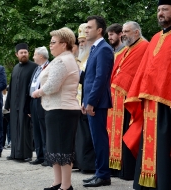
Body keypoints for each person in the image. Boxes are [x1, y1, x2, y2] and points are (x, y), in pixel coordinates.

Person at [123, 1, 171, 189]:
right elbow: (144, 71)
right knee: (149, 145)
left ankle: (166, 184)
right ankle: (147, 184)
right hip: (149, 103)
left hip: (169, 103)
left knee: (164, 147)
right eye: (158, 10)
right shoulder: (154, 38)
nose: (160, 13)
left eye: (165, 10)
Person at [32, 27, 80, 190]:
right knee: (55, 148)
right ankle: (57, 182)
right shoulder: (62, 58)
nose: (50, 45)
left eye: (53, 42)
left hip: (63, 110)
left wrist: (38, 92)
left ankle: (66, 186)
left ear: (64, 44)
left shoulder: (62, 60)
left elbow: (52, 85)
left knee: (63, 149)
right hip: (56, 109)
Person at [107, 21, 149, 180]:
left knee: (127, 131)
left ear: (136, 33)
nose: (123, 34)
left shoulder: (144, 46)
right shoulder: (127, 48)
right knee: (115, 133)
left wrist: (119, 83)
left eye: (126, 31)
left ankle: (127, 170)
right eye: (122, 31)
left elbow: (133, 73)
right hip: (118, 95)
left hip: (130, 96)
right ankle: (116, 167)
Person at [82, 16, 114, 187]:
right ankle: (99, 172)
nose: (86, 30)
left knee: (100, 139)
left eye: (89, 27)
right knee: (96, 139)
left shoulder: (104, 49)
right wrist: (84, 100)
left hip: (98, 103)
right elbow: (88, 78)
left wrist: (91, 102)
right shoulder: (95, 48)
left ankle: (103, 175)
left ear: (99, 30)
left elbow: (101, 78)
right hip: (93, 101)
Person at [5, 43, 37, 162]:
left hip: (26, 103)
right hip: (14, 104)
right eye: (21, 53)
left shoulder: (34, 67)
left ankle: (26, 154)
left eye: (25, 52)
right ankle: (15, 153)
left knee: (25, 129)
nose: (24, 54)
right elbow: (12, 87)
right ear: (16, 54)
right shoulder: (15, 68)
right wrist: (8, 104)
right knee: (14, 128)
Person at [74, 23, 96, 173]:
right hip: (76, 102)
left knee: (88, 136)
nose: (82, 44)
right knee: (79, 136)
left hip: (87, 101)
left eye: (84, 41)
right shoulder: (79, 59)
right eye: (80, 42)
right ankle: (79, 163)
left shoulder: (92, 56)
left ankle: (88, 165)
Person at [28, 46, 49, 166]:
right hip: (34, 101)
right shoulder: (37, 68)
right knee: (36, 128)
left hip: (43, 100)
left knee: (44, 129)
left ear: (41, 56)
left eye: (35, 54)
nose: (33, 57)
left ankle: (47, 156)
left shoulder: (49, 67)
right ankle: (39, 155)